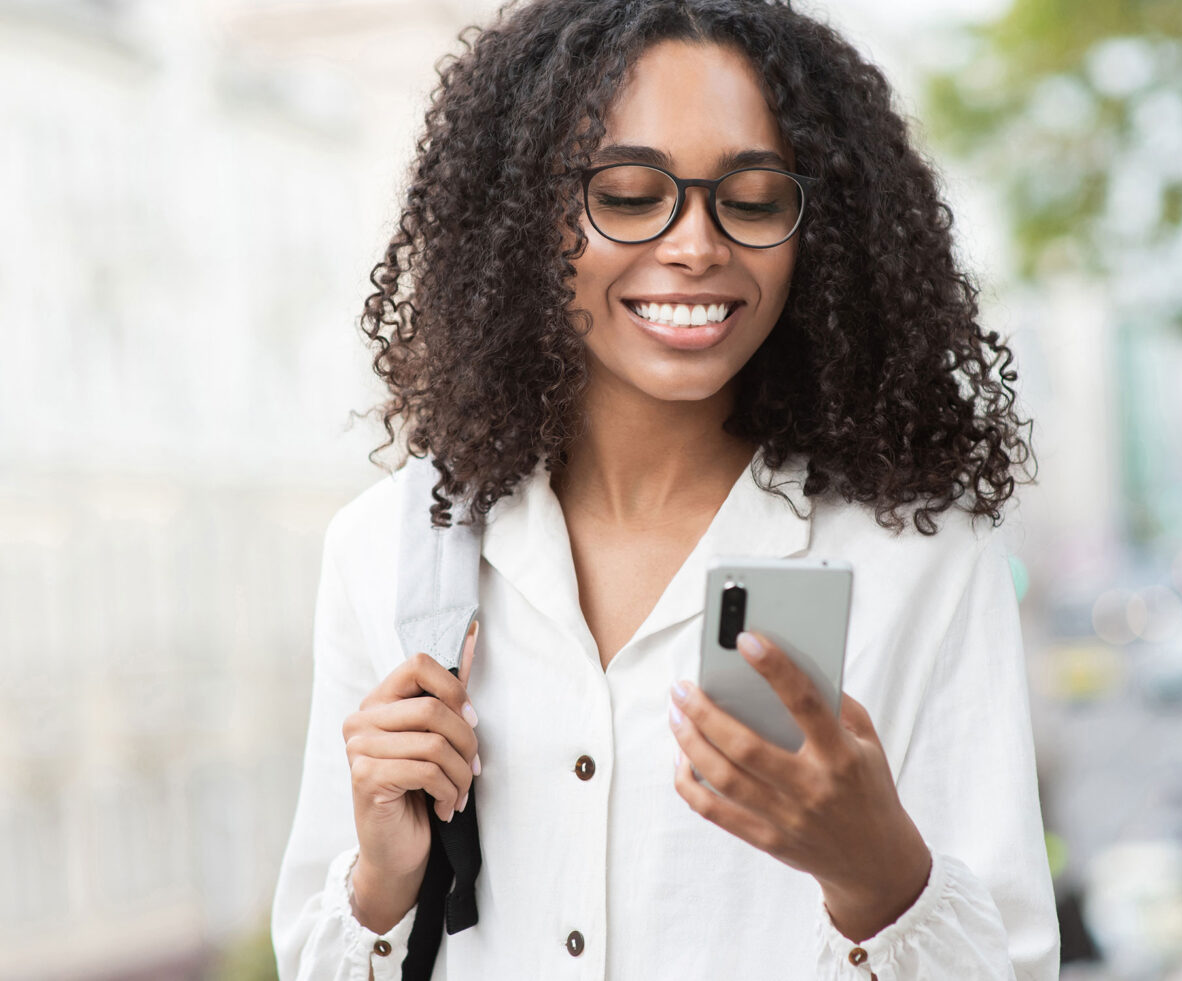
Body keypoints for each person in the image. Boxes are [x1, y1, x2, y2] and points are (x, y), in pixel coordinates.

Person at [270, 0, 1058, 978]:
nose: (694, 244)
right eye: (631, 194)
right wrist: (384, 882)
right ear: (521, 218)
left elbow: (1009, 961)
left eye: (755, 199)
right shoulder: (389, 548)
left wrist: (877, 878)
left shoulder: (916, 555)